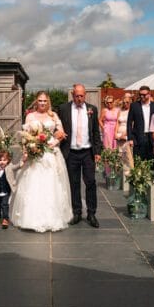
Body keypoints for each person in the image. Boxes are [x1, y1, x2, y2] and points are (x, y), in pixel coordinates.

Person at [11, 91, 73, 232]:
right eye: (40, 100)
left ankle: (51, 218)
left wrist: (55, 142)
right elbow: (25, 137)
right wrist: (29, 149)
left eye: (45, 101)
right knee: (34, 183)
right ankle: (31, 218)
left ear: (48, 102)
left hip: (50, 154)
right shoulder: (30, 116)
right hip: (35, 154)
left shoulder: (53, 115)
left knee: (50, 183)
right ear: (36, 101)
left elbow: (62, 133)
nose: (42, 103)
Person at [58, 84, 103, 228]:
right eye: (76, 96)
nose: (79, 98)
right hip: (70, 152)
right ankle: (77, 212)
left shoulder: (92, 109)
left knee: (90, 182)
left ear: (85, 95)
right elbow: (56, 126)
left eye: (81, 96)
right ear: (72, 95)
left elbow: (96, 132)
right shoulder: (64, 109)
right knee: (74, 183)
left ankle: (91, 213)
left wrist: (97, 152)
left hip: (87, 152)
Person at [127, 85, 154, 162]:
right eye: (140, 94)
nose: (142, 96)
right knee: (138, 162)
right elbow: (129, 122)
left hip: (151, 138)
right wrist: (130, 138)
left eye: (144, 95)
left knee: (151, 163)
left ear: (149, 94)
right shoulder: (134, 105)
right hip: (138, 138)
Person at [114, 93, 134, 177]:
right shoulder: (120, 111)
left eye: (127, 102)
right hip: (119, 134)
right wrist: (115, 134)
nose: (125, 104)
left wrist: (125, 134)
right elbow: (117, 123)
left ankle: (129, 173)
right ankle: (120, 174)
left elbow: (132, 124)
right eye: (124, 102)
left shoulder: (132, 111)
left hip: (127, 134)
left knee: (128, 155)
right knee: (120, 154)